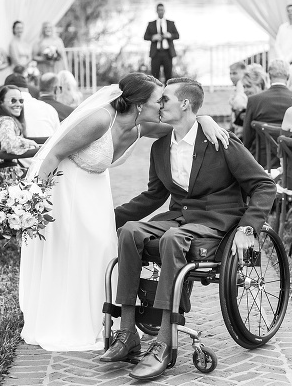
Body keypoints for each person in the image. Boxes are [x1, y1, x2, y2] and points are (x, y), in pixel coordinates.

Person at [20, 73, 230, 352]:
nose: (164, 104)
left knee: (103, 247)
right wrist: (36, 198)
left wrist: (205, 119)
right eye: (160, 99)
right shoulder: (100, 119)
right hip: (63, 185)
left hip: (94, 187)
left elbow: (185, 123)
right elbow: (54, 155)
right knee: (72, 248)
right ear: (140, 104)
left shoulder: (141, 128)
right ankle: (64, 317)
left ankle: (97, 318)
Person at [101, 77, 276, 380]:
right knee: (130, 231)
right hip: (180, 218)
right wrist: (105, 217)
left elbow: (263, 184)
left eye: (164, 99)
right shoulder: (159, 148)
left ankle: (164, 344)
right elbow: (154, 196)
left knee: (172, 238)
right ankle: (127, 332)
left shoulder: (221, 142)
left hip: (216, 222)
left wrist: (248, 229)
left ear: (184, 104)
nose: (159, 104)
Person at [242, 60, 292, 165]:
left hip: (262, 160)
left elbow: (247, 138)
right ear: (288, 76)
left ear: (269, 76)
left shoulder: (254, 100)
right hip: (291, 160)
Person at [0, 85, 39, 181]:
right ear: (1, 102)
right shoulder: (6, 121)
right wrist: (29, 143)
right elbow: (9, 145)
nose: (18, 104)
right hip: (5, 180)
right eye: (13, 100)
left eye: (21, 101)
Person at [3, 74, 59, 139]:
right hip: (46, 148)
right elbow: (58, 139)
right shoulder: (49, 109)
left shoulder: (0, 111)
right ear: (27, 89)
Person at [143, 3, 179, 82]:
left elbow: (177, 35)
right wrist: (153, 37)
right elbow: (145, 37)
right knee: (154, 77)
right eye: (159, 10)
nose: (160, 12)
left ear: (164, 11)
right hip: (156, 53)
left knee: (168, 76)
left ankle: (167, 93)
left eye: (162, 10)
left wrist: (170, 35)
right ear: (156, 11)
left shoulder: (170, 23)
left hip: (167, 53)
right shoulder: (151, 24)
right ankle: (156, 93)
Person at [228, 61, 247, 133]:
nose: (231, 76)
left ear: (243, 73)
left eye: (235, 73)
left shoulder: (240, 84)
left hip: (240, 123)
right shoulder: (237, 85)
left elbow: (239, 104)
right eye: (230, 73)